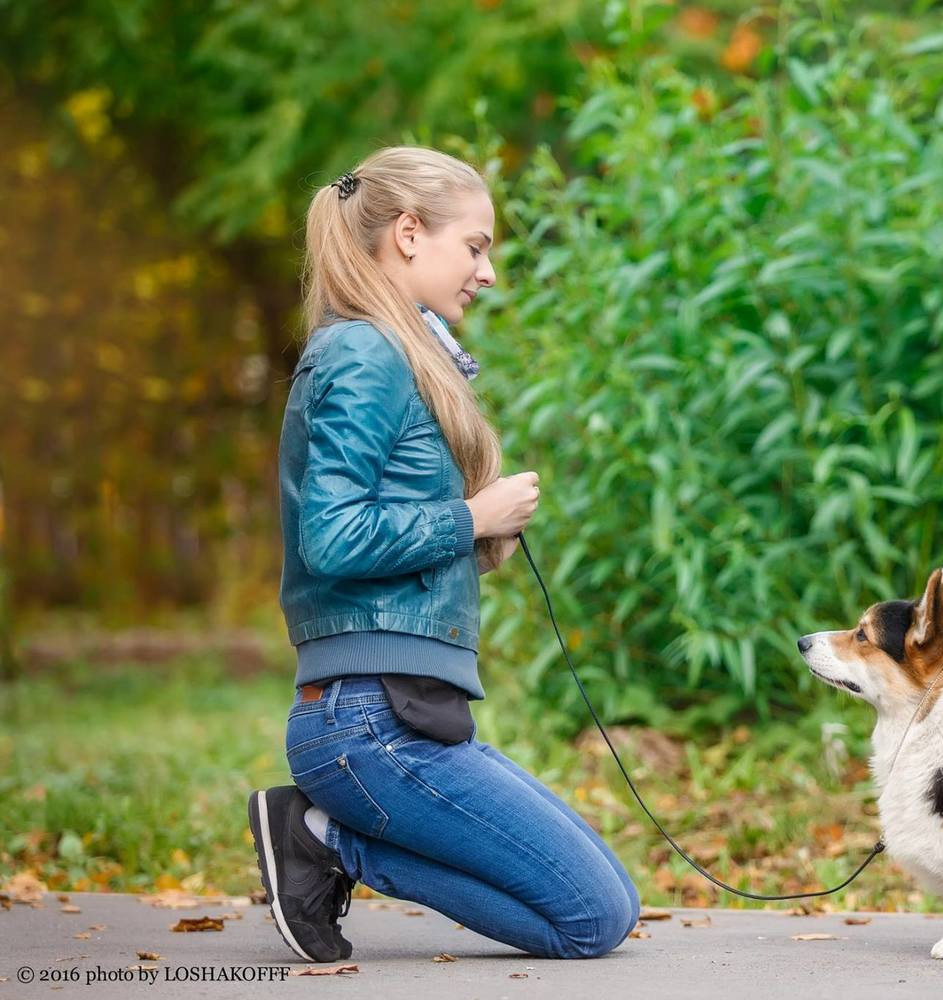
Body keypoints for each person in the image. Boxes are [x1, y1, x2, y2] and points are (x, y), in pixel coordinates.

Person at [247, 146, 640, 963]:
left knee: (611, 895)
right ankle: (323, 841)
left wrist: (478, 532)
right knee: (591, 919)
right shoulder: (363, 352)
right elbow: (332, 536)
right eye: (477, 245)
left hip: (405, 709)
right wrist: (467, 518)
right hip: (368, 720)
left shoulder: (399, 351)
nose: (488, 271)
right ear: (409, 233)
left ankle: (328, 835)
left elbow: (383, 523)